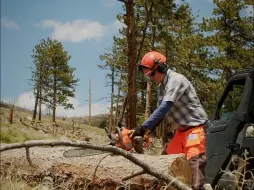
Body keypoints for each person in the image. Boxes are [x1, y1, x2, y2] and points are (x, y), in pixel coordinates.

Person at [132, 51, 208, 190]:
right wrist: (148, 131)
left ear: (161, 68)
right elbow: (161, 113)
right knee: (167, 163)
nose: (151, 78)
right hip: (180, 132)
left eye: (152, 74)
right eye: (148, 76)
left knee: (194, 167)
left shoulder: (175, 80)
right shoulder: (162, 87)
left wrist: (143, 126)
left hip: (195, 129)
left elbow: (166, 106)